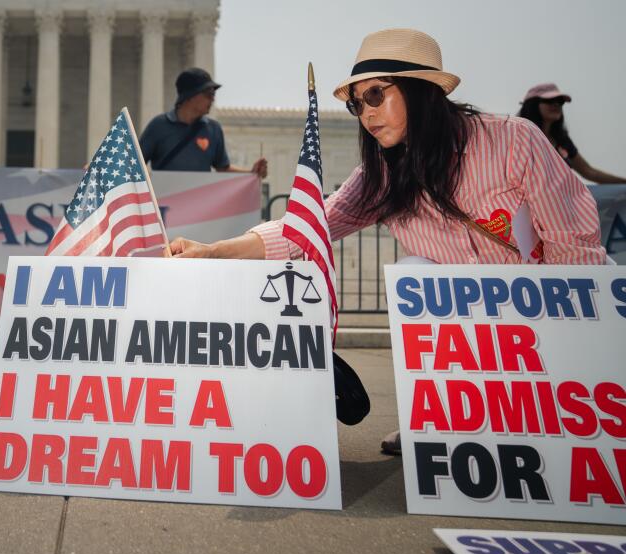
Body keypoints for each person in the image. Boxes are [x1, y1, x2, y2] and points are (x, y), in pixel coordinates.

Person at [166, 29, 608, 455]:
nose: (367, 113)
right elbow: (307, 227)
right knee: (416, 273)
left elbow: (575, 250)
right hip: (474, 327)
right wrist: (213, 250)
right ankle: (438, 418)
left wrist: (577, 369)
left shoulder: (514, 141)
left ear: (420, 89)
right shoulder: (383, 174)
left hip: (547, 307)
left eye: (376, 95)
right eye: (358, 104)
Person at [140, 67, 268, 178]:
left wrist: (252, 172)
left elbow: (223, 168)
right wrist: (151, 183)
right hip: (162, 204)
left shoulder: (214, 129)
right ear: (189, 96)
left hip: (200, 205)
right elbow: (136, 163)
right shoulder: (158, 126)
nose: (213, 99)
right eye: (208, 94)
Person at [518, 83, 626, 184]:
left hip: (555, 202)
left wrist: (623, 182)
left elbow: (588, 171)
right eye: (550, 100)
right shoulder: (518, 136)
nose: (556, 104)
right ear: (532, 104)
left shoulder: (561, 140)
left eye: (560, 101)